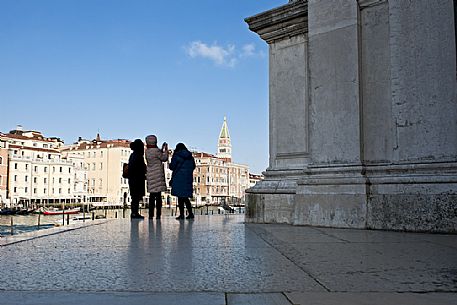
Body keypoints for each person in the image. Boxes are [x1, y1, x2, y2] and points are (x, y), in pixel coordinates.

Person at [169, 143, 196, 220]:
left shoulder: (176, 155)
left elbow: (172, 167)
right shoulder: (190, 157)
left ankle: (181, 214)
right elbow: (193, 166)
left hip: (178, 178)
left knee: (180, 197)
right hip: (187, 178)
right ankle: (190, 213)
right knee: (185, 197)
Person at [145, 135, 169, 220]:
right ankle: (158, 214)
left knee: (152, 196)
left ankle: (151, 215)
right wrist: (166, 150)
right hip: (158, 174)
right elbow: (164, 158)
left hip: (150, 174)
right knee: (158, 197)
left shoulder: (147, 152)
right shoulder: (157, 151)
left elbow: (156, 154)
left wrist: (161, 149)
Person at [128, 139, 146, 219]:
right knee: (136, 197)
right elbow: (141, 168)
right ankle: (135, 213)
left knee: (134, 197)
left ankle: (134, 212)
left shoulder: (132, 155)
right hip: (138, 179)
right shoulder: (139, 156)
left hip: (132, 179)